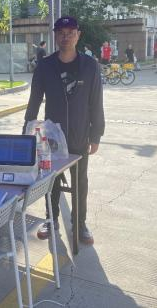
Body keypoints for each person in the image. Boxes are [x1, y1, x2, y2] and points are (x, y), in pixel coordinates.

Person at [24, 16, 105, 246]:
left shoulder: (90, 66)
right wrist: (27, 132)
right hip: (52, 138)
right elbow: (34, 100)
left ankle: (80, 224)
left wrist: (96, 134)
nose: (66, 37)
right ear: (55, 36)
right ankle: (51, 220)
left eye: (70, 32)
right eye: (61, 32)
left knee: (80, 182)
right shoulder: (45, 66)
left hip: (80, 134)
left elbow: (96, 102)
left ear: (78, 35)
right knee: (51, 182)